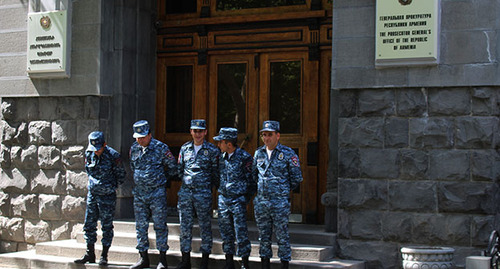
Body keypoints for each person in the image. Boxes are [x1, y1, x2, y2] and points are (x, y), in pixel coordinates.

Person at [252, 121, 303, 269]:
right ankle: (265, 265)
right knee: (263, 237)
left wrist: (281, 191)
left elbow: (296, 178)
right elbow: (255, 176)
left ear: (278, 135)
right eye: (264, 135)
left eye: (270, 135)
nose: (267, 138)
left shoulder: (287, 154)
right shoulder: (258, 153)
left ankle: (284, 265)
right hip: (262, 202)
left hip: (279, 203)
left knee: (282, 237)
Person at [129, 120, 177, 269]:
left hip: (157, 193)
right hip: (139, 193)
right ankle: (143, 258)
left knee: (160, 225)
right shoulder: (134, 149)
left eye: (143, 137)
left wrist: (159, 180)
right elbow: (133, 167)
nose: (140, 140)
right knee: (140, 226)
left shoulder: (161, 148)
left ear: (150, 135)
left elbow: (172, 168)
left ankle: (163, 259)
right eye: (137, 137)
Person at [74, 131, 126, 266]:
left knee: (106, 226)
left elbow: (121, 174)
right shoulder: (89, 153)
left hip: (107, 196)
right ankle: (89, 253)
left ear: (104, 144)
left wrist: (111, 187)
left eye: (98, 149)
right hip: (93, 194)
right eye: (93, 149)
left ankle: (104, 255)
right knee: (89, 225)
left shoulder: (113, 156)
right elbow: (88, 170)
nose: (96, 152)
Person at [176, 119, 219, 269]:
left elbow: (215, 174)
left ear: (205, 132)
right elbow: (180, 169)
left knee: (205, 227)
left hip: (203, 194)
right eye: (195, 131)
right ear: (191, 132)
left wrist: (205, 187)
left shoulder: (212, 150)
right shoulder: (185, 149)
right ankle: (185, 260)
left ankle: (204, 261)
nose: (198, 134)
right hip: (186, 195)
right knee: (185, 227)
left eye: (200, 131)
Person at [214, 127, 255, 269]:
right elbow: (216, 177)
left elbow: (251, 181)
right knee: (226, 232)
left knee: (241, 233)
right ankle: (229, 261)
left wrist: (245, 198)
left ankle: (244, 263)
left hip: (238, 200)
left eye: (221, 142)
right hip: (224, 200)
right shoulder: (221, 158)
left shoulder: (245, 158)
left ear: (229, 144)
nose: (219, 145)